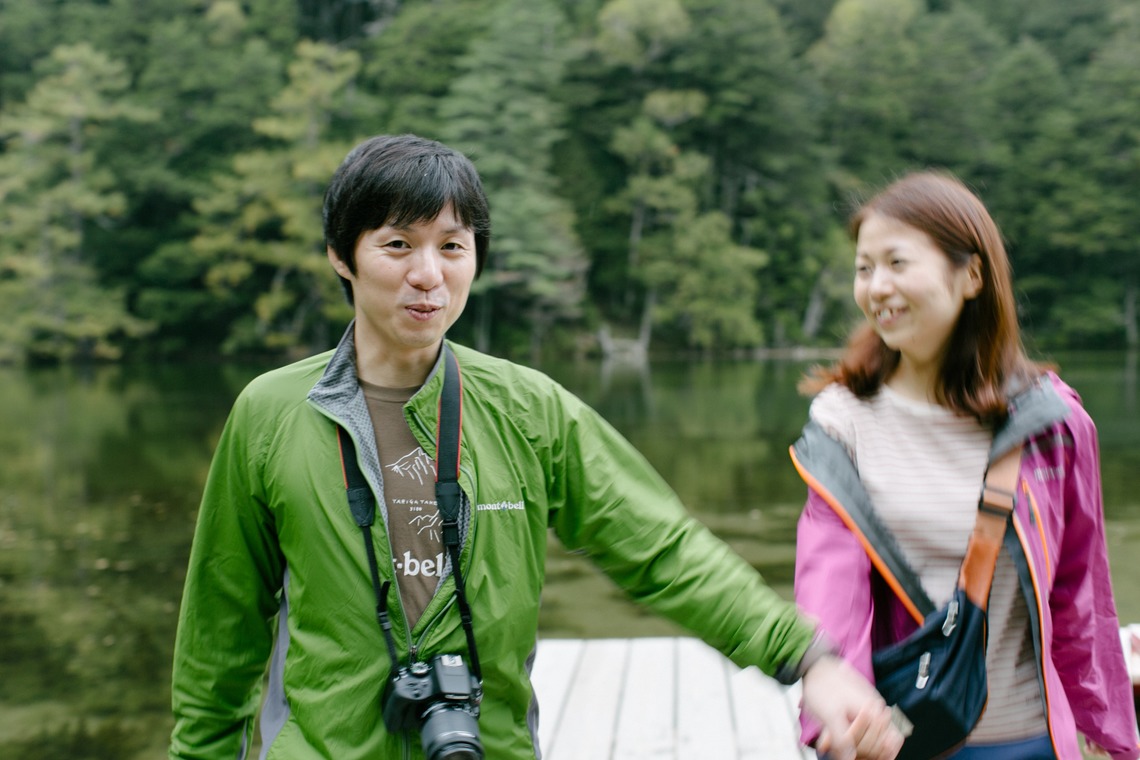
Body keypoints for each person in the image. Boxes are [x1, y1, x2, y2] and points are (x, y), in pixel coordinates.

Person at [168, 134, 904, 760]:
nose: (429, 274)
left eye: (452, 246)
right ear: (341, 255)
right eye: (397, 245)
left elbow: (664, 549)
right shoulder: (271, 414)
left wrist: (810, 659)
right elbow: (221, 634)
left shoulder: (528, 410)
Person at [790, 170, 1140, 759]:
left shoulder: (1053, 423)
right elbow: (829, 588)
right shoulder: (842, 423)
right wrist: (841, 717)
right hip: (908, 740)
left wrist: (1111, 734)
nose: (877, 286)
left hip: (1036, 739)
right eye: (863, 268)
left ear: (972, 275)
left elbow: (1081, 597)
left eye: (898, 263)